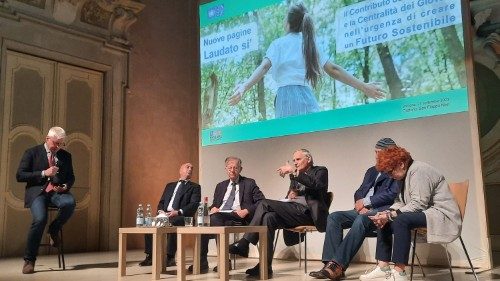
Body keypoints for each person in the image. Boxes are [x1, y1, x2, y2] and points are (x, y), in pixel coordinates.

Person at [324, 146, 461, 281]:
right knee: (383, 218)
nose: (390, 176)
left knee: (401, 220)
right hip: (426, 212)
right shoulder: (403, 176)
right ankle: (383, 266)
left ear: (401, 164)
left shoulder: (419, 171)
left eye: (390, 172)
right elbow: (400, 201)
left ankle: (400, 272)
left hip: (440, 215)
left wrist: (390, 215)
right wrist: (385, 213)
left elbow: (419, 205)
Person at [229, 3, 384, 118]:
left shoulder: (279, 43)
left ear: (287, 23)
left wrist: (244, 86)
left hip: (286, 97)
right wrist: (363, 86)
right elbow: (334, 70)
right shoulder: (310, 43)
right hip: (307, 96)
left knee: (289, 141)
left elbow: (263, 68)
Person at [309, 138, 400, 279]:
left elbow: (391, 194)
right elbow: (360, 190)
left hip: (382, 210)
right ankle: (329, 265)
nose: (375, 155)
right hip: (362, 209)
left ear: (388, 152)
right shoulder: (372, 171)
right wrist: (359, 203)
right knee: (334, 217)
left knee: (362, 218)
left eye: (378, 152)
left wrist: (366, 203)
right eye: (375, 152)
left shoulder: (396, 170)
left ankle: (337, 265)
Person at [229, 148, 329, 276]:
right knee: (268, 218)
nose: (295, 163)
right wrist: (291, 194)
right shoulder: (295, 176)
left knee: (263, 203)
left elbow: (317, 185)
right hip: (294, 211)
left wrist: (294, 172)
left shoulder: (320, 171)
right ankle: (265, 266)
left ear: (308, 159)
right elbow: (292, 195)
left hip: (308, 214)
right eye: (294, 161)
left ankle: (245, 242)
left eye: (298, 159)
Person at [188, 156, 265, 273]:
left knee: (214, 219)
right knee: (204, 220)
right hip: (221, 215)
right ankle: (202, 261)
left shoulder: (249, 183)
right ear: (226, 169)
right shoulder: (220, 185)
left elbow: (261, 201)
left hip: (239, 216)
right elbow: (215, 204)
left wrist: (246, 210)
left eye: (235, 168)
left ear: (240, 169)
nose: (232, 170)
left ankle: (223, 261)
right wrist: (212, 208)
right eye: (230, 168)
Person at [17, 126, 76, 274]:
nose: (57, 147)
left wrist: (65, 185)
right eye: (55, 143)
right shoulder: (32, 152)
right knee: (40, 219)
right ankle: (29, 260)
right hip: (38, 193)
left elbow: (71, 177)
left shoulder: (66, 156)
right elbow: (20, 175)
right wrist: (44, 173)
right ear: (47, 139)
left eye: (60, 144)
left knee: (70, 203)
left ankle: (54, 229)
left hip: (56, 193)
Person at [138, 163, 201, 267]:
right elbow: (161, 202)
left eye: (192, 168)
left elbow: (193, 205)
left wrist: (178, 212)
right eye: (187, 167)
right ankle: (150, 256)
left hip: (183, 217)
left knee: (173, 223)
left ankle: (170, 257)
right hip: (165, 215)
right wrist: (160, 211)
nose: (190, 169)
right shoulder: (170, 185)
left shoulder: (195, 187)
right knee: (149, 223)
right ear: (180, 170)